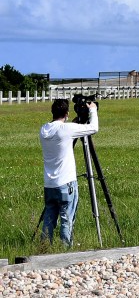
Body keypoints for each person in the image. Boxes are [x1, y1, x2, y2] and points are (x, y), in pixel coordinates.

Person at [39, 97, 99, 248]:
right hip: (66, 183)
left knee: (49, 218)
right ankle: (65, 249)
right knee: (67, 219)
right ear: (66, 113)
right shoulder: (66, 129)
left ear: (52, 112)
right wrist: (92, 110)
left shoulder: (44, 129)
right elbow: (93, 128)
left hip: (49, 184)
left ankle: (44, 247)